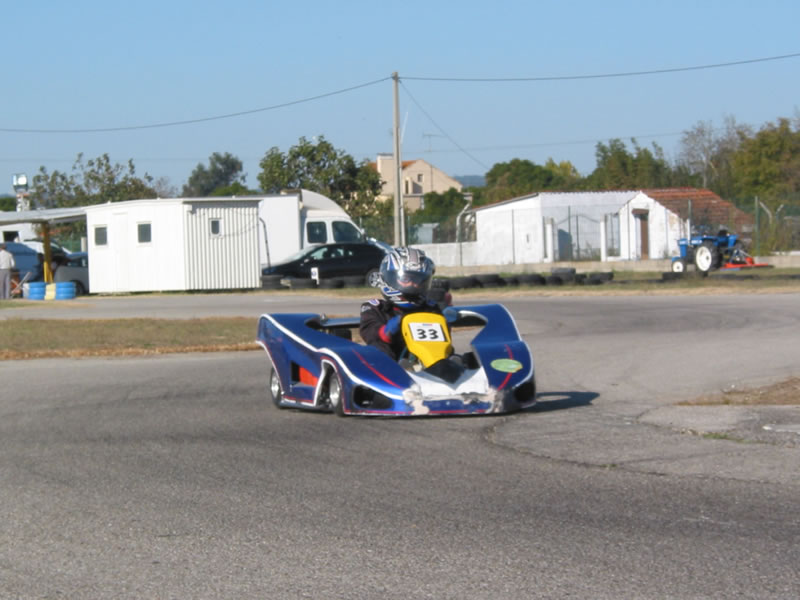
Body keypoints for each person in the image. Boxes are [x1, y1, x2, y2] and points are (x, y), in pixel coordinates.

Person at [360, 246, 447, 360]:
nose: (412, 284)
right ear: (389, 278)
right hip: (391, 362)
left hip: (428, 361)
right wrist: (388, 329)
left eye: (417, 280)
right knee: (380, 349)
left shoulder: (430, 308)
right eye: (406, 279)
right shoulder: (376, 308)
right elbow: (370, 334)